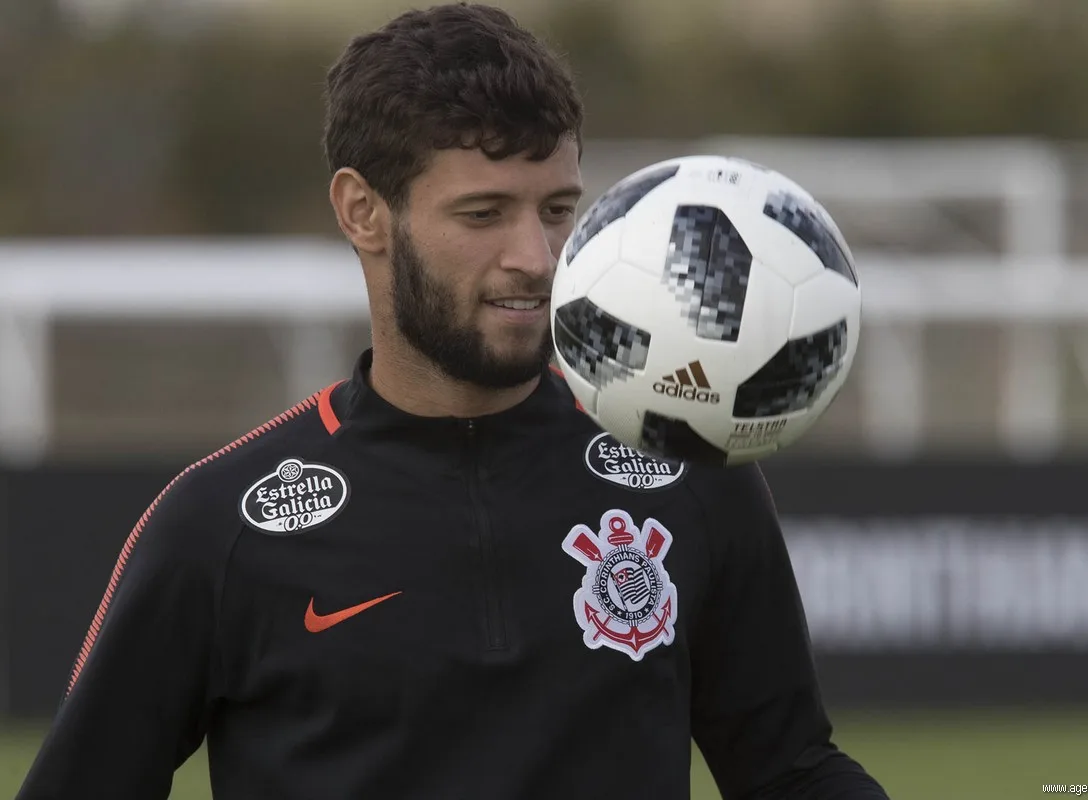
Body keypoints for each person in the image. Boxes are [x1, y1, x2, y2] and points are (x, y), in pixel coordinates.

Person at [17, 4, 891, 798]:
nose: (537, 257)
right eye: (483, 215)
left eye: (557, 209)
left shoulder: (685, 469)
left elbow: (790, 769)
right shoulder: (221, 527)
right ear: (364, 213)